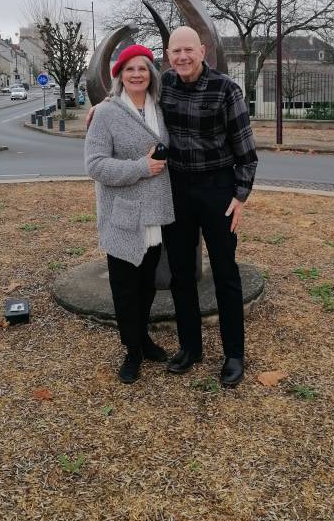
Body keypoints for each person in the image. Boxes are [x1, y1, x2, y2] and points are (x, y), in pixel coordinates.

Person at [87, 27, 258, 387]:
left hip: (217, 190)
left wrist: (240, 196)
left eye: (188, 50)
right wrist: (102, 106)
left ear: (202, 50)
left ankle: (234, 355)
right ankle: (190, 347)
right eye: (175, 51)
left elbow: (246, 153)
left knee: (226, 273)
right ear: (168, 55)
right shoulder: (166, 85)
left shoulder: (227, 90)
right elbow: (129, 97)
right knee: (181, 275)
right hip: (177, 191)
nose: (182, 57)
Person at [85, 44, 175, 384]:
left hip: (154, 213)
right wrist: (141, 167)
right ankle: (132, 350)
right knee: (125, 289)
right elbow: (94, 165)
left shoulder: (160, 108)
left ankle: (144, 338)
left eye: (142, 68)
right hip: (122, 215)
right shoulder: (107, 113)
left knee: (148, 285)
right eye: (129, 69)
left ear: (151, 74)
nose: (137, 74)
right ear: (119, 76)